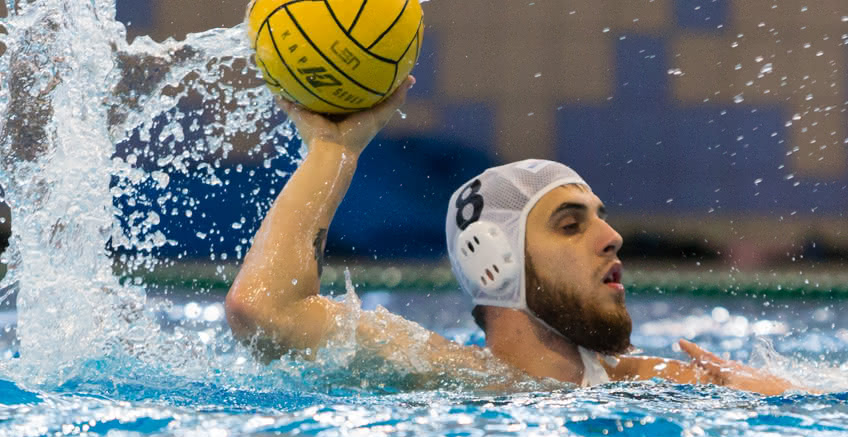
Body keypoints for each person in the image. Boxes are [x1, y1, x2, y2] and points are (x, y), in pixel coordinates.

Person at [225, 84, 794, 393]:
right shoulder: (443, 375)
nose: (613, 237)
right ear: (493, 263)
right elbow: (263, 309)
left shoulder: (652, 382)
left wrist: (776, 394)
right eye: (571, 224)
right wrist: (334, 150)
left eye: (600, 217)